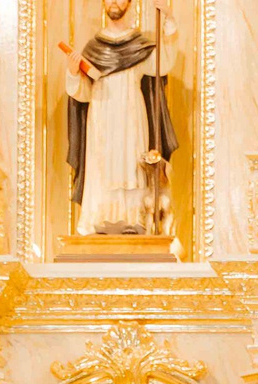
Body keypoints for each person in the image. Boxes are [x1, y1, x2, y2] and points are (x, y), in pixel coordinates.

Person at [63, 0, 177, 236]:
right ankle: (100, 220)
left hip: (131, 116)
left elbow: (162, 64)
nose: (114, 2)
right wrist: (73, 74)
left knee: (131, 165)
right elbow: (82, 94)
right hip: (101, 117)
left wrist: (169, 21)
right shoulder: (93, 48)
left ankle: (133, 220)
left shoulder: (140, 45)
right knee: (103, 168)